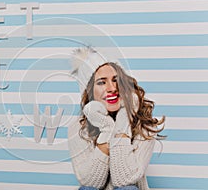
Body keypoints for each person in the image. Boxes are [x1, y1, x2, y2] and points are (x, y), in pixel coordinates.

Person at [68, 47, 165, 190]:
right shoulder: (78, 127)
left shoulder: (144, 124)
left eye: (116, 80)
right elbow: (89, 182)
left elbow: (125, 179)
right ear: (89, 92)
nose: (112, 88)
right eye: (102, 82)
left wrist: (124, 116)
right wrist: (106, 128)